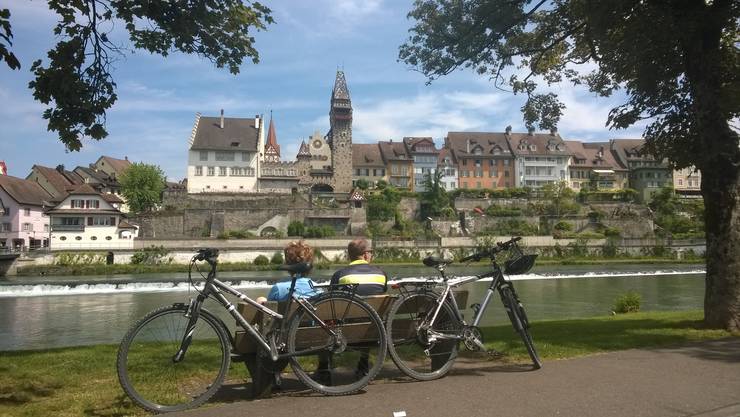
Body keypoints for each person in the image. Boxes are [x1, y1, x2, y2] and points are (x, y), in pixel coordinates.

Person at [317, 238, 387, 380]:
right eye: (371, 253)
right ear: (366, 254)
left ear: (350, 256)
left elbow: (331, 300)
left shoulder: (340, 275)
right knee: (368, 316)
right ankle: (363, 364)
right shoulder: (381, 274)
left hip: (345, 330)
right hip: (373, 329)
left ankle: (324, 368)